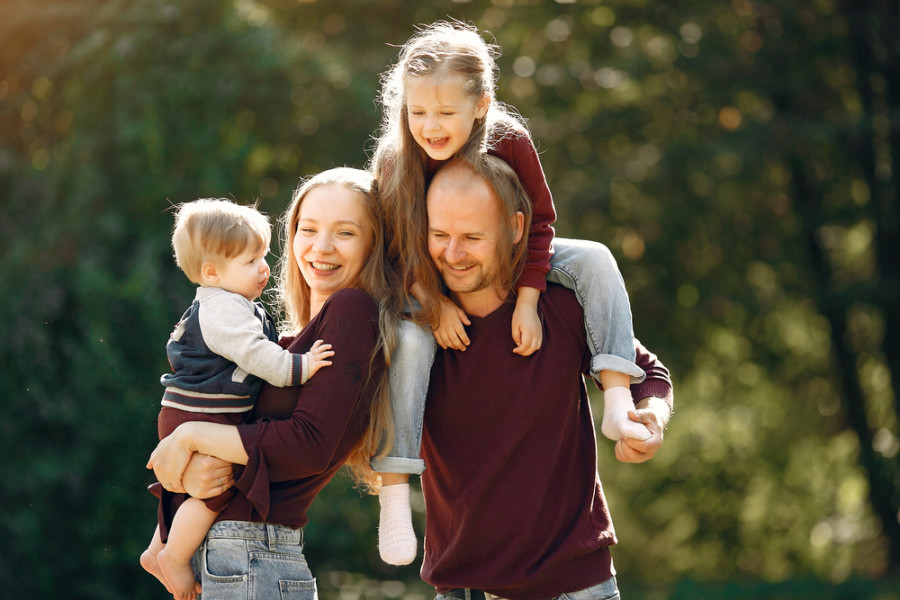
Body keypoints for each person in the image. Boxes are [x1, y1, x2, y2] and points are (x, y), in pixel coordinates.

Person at [369, 20, 648, 565]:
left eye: (446, 113)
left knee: (593, 256)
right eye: (417, 111)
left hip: (509, 259)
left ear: (481, 105)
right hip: (416, 283)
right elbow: (392, 253)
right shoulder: (396, 162)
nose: (430, 126)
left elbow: (540, 222)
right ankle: (395, 492)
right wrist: (432, 303)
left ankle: (616, 396)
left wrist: (527, 298)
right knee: (411, 342)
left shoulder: (509, 140)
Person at [420, 155, 673, 599]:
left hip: (577, 585)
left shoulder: (563, 304)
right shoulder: (415, 329)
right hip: (464, 588)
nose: (453, 254)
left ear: (517, 228)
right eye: (439, 235)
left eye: (472, 237)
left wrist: (650, 417)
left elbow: (648, 373)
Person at [145, 168, 400, 600]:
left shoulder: (352, 311)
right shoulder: (283, 340)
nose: (321, 246)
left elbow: (307, 445)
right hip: (233, 554)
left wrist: (189, 436)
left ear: (373, 244)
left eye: (345, 232)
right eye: (308, 228)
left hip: (253, 553)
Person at [140, 198, 335, 600]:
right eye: (250, 261)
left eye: (263, 256)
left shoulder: (231, 304)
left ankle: (158, 545)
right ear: (212, 272)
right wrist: (300, 366)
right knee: (218, 489)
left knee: (201, 485)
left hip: (193, 411)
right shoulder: (224, 310)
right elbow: (258, 356)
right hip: (203, 413)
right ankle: (174, 556)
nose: (264, 268)